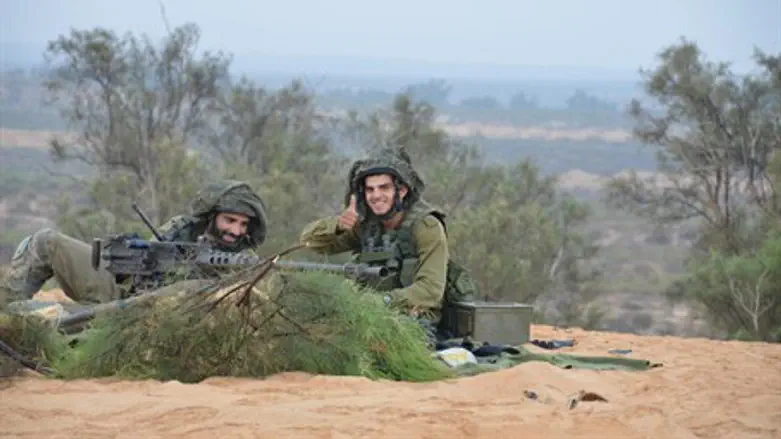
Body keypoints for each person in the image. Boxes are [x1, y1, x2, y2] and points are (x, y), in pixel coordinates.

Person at [2, 180, 268, 307]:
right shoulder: (180, 230)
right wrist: (130, 254)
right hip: (119, 298)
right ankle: (6, 313)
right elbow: (136, 269)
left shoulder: (243, 260)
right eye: (230, 220)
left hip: (143, 319)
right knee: (45, 241)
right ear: (211, 217)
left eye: (243, 225)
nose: (235, 230)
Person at [300, 148, 475, 340]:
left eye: (384, 188)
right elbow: (309, 242)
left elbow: (430, 291)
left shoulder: (426, 227)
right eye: (370, 189)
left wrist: (382, 301)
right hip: (367, 318)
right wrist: (338, 225)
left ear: (401, 191)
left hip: (413, 324)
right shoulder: (367, 226)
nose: (376, 196)